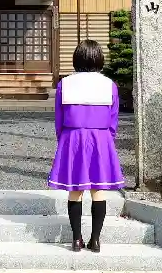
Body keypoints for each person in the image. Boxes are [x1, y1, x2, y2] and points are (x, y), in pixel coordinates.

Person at [47, 39, 126, 252]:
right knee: (98, 190)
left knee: (75, 190)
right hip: (101, 138)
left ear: (77, 59)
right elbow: (113, 119)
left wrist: (63, 140)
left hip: (72, 137)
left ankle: (76, 239)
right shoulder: (109, 85)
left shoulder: (65, 84)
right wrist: (108, 140)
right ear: (99, 59)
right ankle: (96, 240)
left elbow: (59, 118)